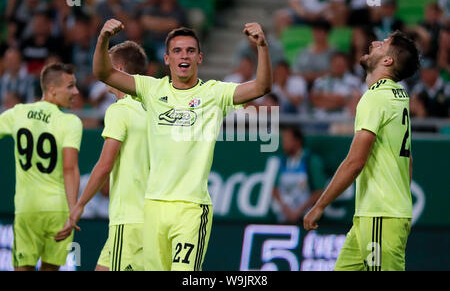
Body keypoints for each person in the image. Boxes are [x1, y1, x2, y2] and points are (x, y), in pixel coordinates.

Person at [93, 19, 272, 271]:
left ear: (200, 57)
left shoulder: (214, 93)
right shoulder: (151, 89)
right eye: (177, 51)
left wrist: (262, 47)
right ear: (167, 59)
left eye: (190, 50)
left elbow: (262, 86)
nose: (183, 55)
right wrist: (103, 40)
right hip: (153, 207)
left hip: (191, 208)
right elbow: (103, 73)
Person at [304, 30, 420, 271]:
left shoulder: (375, 98)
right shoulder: (399, 96)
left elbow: (355, 163)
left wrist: (319, 205)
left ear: (388, 61)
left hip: (380, 215)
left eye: (383, 44)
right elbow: (408, 161)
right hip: (372, 216)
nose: (374, 42)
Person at [55, 41, 150, 271]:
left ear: (119, 69)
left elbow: (104, 165)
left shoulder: (119, 110)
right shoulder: (154, 108)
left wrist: (79, 205)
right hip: (152, 219)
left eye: (104, 64)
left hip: (128, 221)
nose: (99, 70)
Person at [0, 63, 82, 271]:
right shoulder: (70, 122)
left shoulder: (18, 113)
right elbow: (70, 169)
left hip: (27, 209)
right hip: (58, 209)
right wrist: (74, 211)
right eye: (70, 86)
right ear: (52, 89)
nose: (76, 92)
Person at [272, 126, 326, 224]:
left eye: (287, 139)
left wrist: (299, 211)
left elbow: (320, 191)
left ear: (297, 141)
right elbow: (275, 189)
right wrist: (286, 209)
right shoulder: (282, 161)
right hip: (285, 218)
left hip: (306, 219)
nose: (284, 143)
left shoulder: (311, 161)